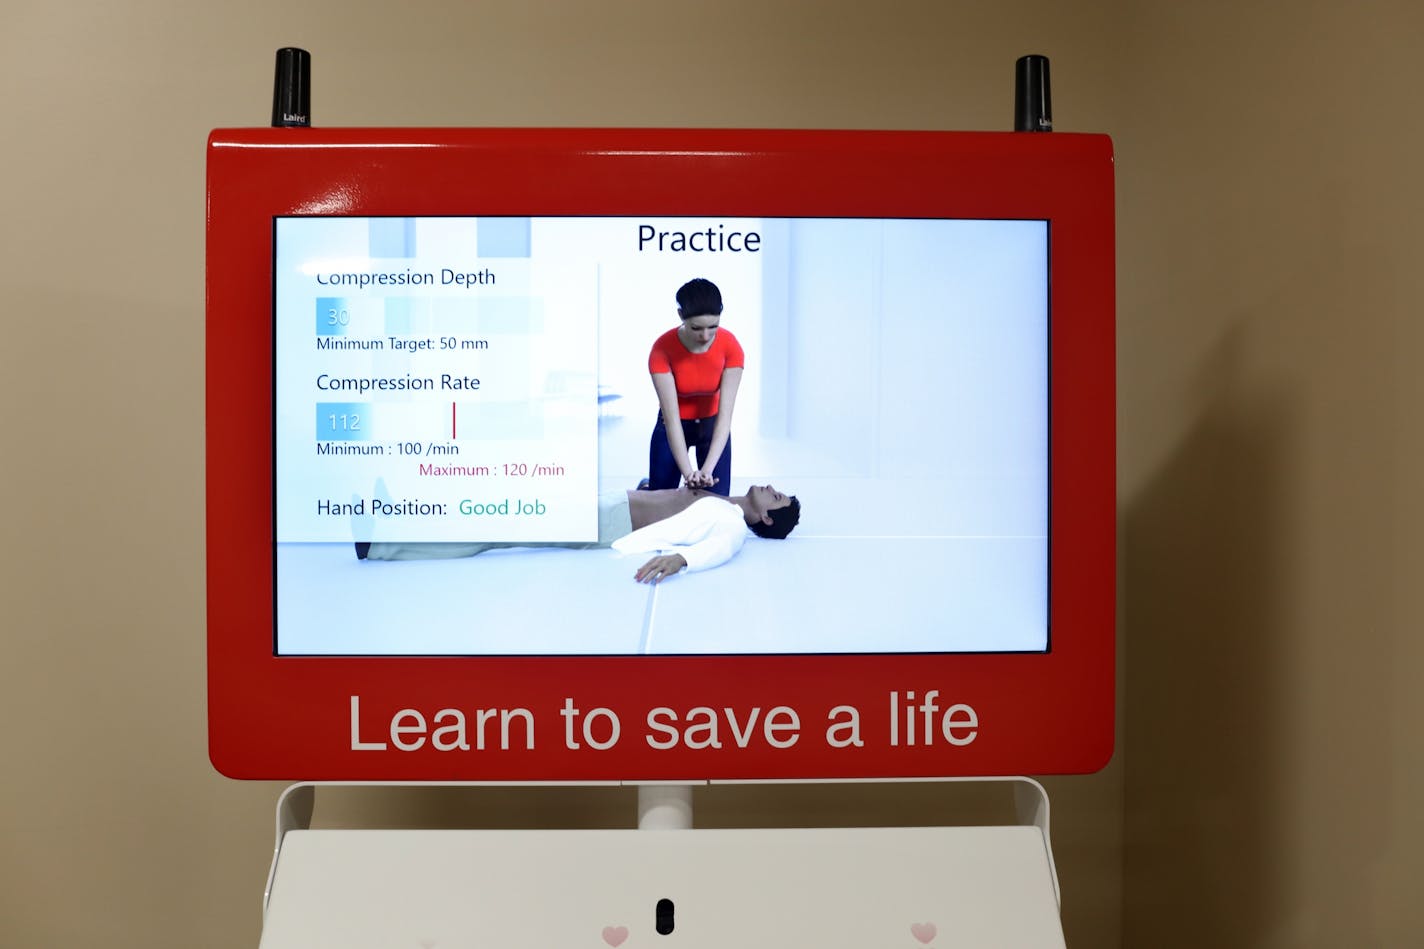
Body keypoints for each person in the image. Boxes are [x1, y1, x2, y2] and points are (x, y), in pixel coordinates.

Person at [359, 485, 801, 584]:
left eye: (777, 499)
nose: (771, 489)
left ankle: (384, 542)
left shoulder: (733, 526)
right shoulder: (722, 499)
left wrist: (681, 561)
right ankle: (397, 509)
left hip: (610, 524)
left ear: (766, 520)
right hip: (608, 506)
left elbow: (718, 550)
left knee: (498, 526)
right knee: (500, 503)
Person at [646, 278, 744, 496]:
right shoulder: (661, 349)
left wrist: (706, 470)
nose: (705, 336)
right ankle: (646, 487)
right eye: (697, 328)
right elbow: (671, 420)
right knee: (660, 499)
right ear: (681, 316)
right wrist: (688, 473)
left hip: (713, 426)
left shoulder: (731, 347)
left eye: (713, 327)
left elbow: (725, 417)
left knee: (716, 500)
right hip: (673, 425)